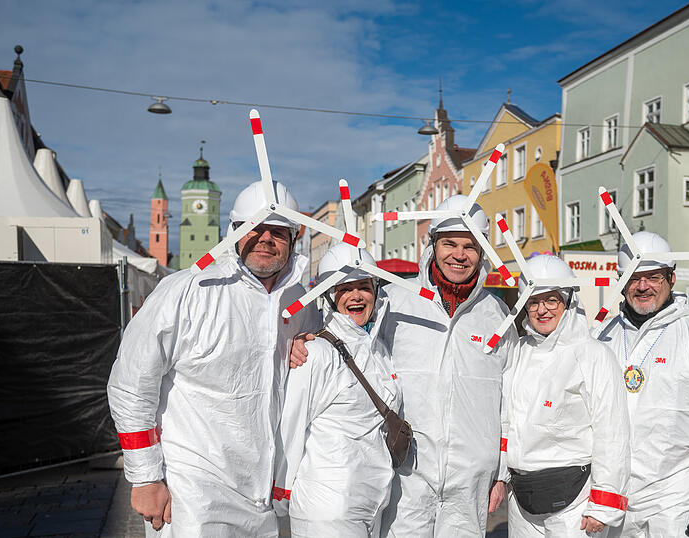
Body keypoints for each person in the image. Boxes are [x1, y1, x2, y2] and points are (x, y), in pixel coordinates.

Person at [107, 181, 321, 536]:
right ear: (234, 230)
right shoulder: (187, 290)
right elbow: (131, 385)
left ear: (293, 239)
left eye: (279, 232)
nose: (266, 239)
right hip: (192, 493)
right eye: (255, 227)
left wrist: (312, 344)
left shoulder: (300, 303)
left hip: (263, 497)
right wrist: (145, 477)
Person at [378, 195, 516, 537]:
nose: (459, 255)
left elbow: (510, 399)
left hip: (471, 477)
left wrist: (502, 473)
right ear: (433, 245)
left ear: (482, 252)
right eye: (450, 244)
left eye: (470, 246)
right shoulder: (395, 302)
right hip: (406, 472)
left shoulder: (497, 315)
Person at [591, 232, 689, 538]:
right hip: (610, 494)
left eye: (653, 277)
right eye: (633, 278)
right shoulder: (601, 336)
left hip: (673, 497)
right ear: (621, 282)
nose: (642, 286)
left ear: (671, 279)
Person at [279, 243, 401, 537]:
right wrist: (281, 492)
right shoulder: (315, 354)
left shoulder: (380, 351)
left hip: (373, 503)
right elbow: (290, 426)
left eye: (364, 287)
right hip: (328, 508)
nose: (356, 296)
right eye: (344, 289)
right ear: (328, 296)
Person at [504, 255, 631, 538]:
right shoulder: (518, 351)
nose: (542, 310)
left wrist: (605, 504)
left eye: (552, 300)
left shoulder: (593, 355)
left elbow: (612, 431)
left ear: (569, 301)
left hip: (574, 501)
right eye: (534, 302)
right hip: (522, 497)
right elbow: (505, 419)